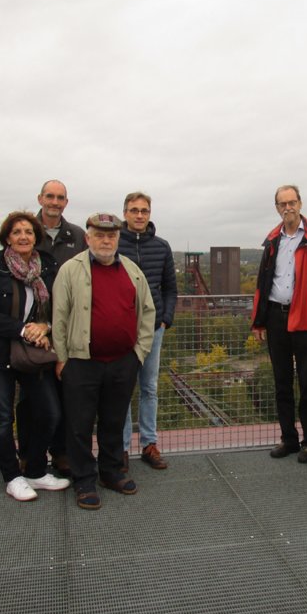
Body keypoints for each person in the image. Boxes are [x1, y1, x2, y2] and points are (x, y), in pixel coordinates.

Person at [52, 213, 156, 510]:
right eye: (99, 235)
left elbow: (147, 312)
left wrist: (139, 354)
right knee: (80, 424)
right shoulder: (70, 270)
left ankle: (111, 472)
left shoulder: (132, 270)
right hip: (81, 362)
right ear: (88, 238)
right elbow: (59, 316)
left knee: (113, 420)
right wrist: (62, 358)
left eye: (111, 235)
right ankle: (84, 479)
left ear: (118, 239)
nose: (106, 240)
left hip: (123, 362)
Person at [0, 212, 71, 501]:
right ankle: (13, 477)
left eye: (28, 231)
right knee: (3, 418)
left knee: (50, 412)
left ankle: (36, 470)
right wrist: (23, 329)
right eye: (17, 232)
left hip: (32, 354)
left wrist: (45, 327)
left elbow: (60, 306)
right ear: (7, 238)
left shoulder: (47, 267)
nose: (23, 236)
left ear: (36, 236)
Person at [251, 185, 307, 463]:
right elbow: (263, 283)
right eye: (282, 204)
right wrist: (259, 321)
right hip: (276, 317)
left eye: (291, 202)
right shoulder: (273, 239)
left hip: (306, 319)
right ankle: (289, 439)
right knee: (282, 382)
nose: (288, 208)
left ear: (300, 203)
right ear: (277, 208)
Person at [32, 179, 87, 477]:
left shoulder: (77, 235)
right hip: (34, 327)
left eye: (60, 197)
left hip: (68, 325)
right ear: (40, 198)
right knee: (32, 395)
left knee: (69, 392)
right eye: (50, 196)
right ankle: (31, 455)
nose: (54, 202)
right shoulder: (27, 229)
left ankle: (62, 453)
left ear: (66, 202)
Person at [119, 191, 178, 471]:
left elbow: (170, 289)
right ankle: (120, 448)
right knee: (121, 389)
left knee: (149, 388)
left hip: (153, 329)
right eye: (134, 210)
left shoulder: (161, 247)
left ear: (149, 214)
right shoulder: (114, 243)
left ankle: (149, 444)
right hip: (120, 330)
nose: (139, 215)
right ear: (125, 213)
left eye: (144, 210)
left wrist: (165, 319)